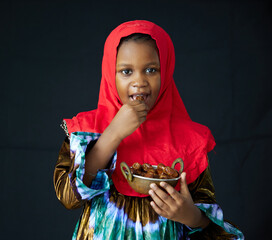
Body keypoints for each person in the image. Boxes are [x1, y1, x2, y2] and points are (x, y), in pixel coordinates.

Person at [54, 20, 244, 239]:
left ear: (166, 72)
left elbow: (213, 225)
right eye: (126, 71)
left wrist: (191, 216)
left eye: (151, 70)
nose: (139, 82)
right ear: (109, 73)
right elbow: (69, 197)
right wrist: (112, 134)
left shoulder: (189, 140)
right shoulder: (85, 131)